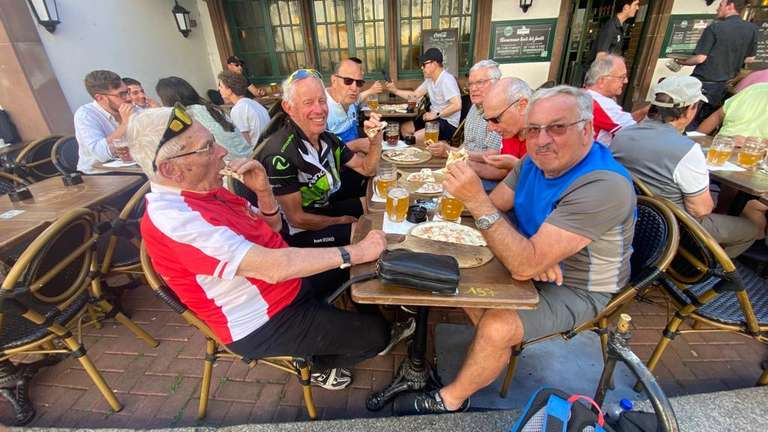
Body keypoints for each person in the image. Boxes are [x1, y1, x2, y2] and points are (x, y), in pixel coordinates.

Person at [129, 106, 410, 389]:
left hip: (286, 282)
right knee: (377, 335)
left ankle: (353, 313)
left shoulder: (206, 190)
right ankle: (314, 365)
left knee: (363, 267)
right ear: (170, 169)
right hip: (260, 318)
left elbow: (274, 229)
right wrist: (357, 252)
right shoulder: (176, 221)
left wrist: (264, 191)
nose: (222, 152)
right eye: (208, 148)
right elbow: (274, 268)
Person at [394, 85, 636, 414]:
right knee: (460, 274)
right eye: (533, 129)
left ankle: (451, 399)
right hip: (538, 263)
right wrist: (529, 252)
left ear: (587, 129)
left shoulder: (603, 185)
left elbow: (495, 221)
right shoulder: (534, 161)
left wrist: (482, 206)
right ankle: (493, 352)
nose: (542, 140)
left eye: (557, 127)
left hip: (579, 286)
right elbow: (498, 205)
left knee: (497, 326)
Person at [613, 76, 759, 257]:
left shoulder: (623, 134)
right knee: (752, 229)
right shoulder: (687, 151)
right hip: (673, 226)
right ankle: (705, 267)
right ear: (690, 110)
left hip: (629, 212)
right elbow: (702, 210)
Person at [259, 69, 383, 248]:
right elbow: (296, 219)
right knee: (364, 233)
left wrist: (375, 142)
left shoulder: (326, 137)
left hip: (324, 208)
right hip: (298, 232)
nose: (319, 110)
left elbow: (366, 169)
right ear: (288, 107)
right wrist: (340, 221)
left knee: (374, 205)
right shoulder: (280, 155)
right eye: (308, 102)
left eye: (322, 100)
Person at [672, 0, 758, 129]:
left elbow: (700, 58)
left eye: (720, 5)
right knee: (706, 122)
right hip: (726, 85)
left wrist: (682, 61)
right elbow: (750, 59)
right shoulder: (752, 29)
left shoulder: (715, 27)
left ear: (730, 6)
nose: (717, 9)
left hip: (704, 83)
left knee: (686, 120)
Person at [326, 57, 385, 200]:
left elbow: (360, 98)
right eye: (348, 81)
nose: (354, 88)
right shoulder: (322, 109)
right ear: (334, 80)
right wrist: (356, 145)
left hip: (357, 165)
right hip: (335, 180)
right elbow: (319, 156)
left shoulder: (350, 99)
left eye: (359, 83)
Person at [156, 76, 252, 159]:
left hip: (233, 165)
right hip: (248, 155)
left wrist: (157, 114)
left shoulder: (189, 116)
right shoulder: (210, 108)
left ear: (168, 100)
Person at [386, 48, 462, 144]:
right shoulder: (429, 80)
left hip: (447, 123)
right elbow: (415, 95)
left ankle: (416, 147)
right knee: (404, 128)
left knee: (412, 138)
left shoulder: (447, 80)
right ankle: (413, 149)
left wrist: (436, 114)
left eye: (424, 64)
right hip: (433, 118)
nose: (422, 68)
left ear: (434, 64)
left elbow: (457, 105)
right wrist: (395, 90)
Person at [73, 70, 134, 173]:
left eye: (127, 91)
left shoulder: (129, 106)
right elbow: (100, 154)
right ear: (100, 98)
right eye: (121, 94)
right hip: (99, 174)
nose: (129, 98)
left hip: (131, 167)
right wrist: (125, 124)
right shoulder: (85, 115)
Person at [584, 55, 645, 146]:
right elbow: (636, 133)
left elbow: (622, 119)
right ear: (602, 80)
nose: (626, 81)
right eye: (621, 77)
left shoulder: (585, 95)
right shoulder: (603, 105)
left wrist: (645, 111)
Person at [697, 82, 768, 141]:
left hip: (753, 151)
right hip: (720, 145)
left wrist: (750, 143)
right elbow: (718, 116)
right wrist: (695, 139)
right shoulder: (756, 89)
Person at [218, 70, 270, 147]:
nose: (219, 89)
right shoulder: (252, 102)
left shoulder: (237, 109)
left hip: (259, 149)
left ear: (230, 90)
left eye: (221, 86)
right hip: (267, 144)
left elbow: (245, 143)